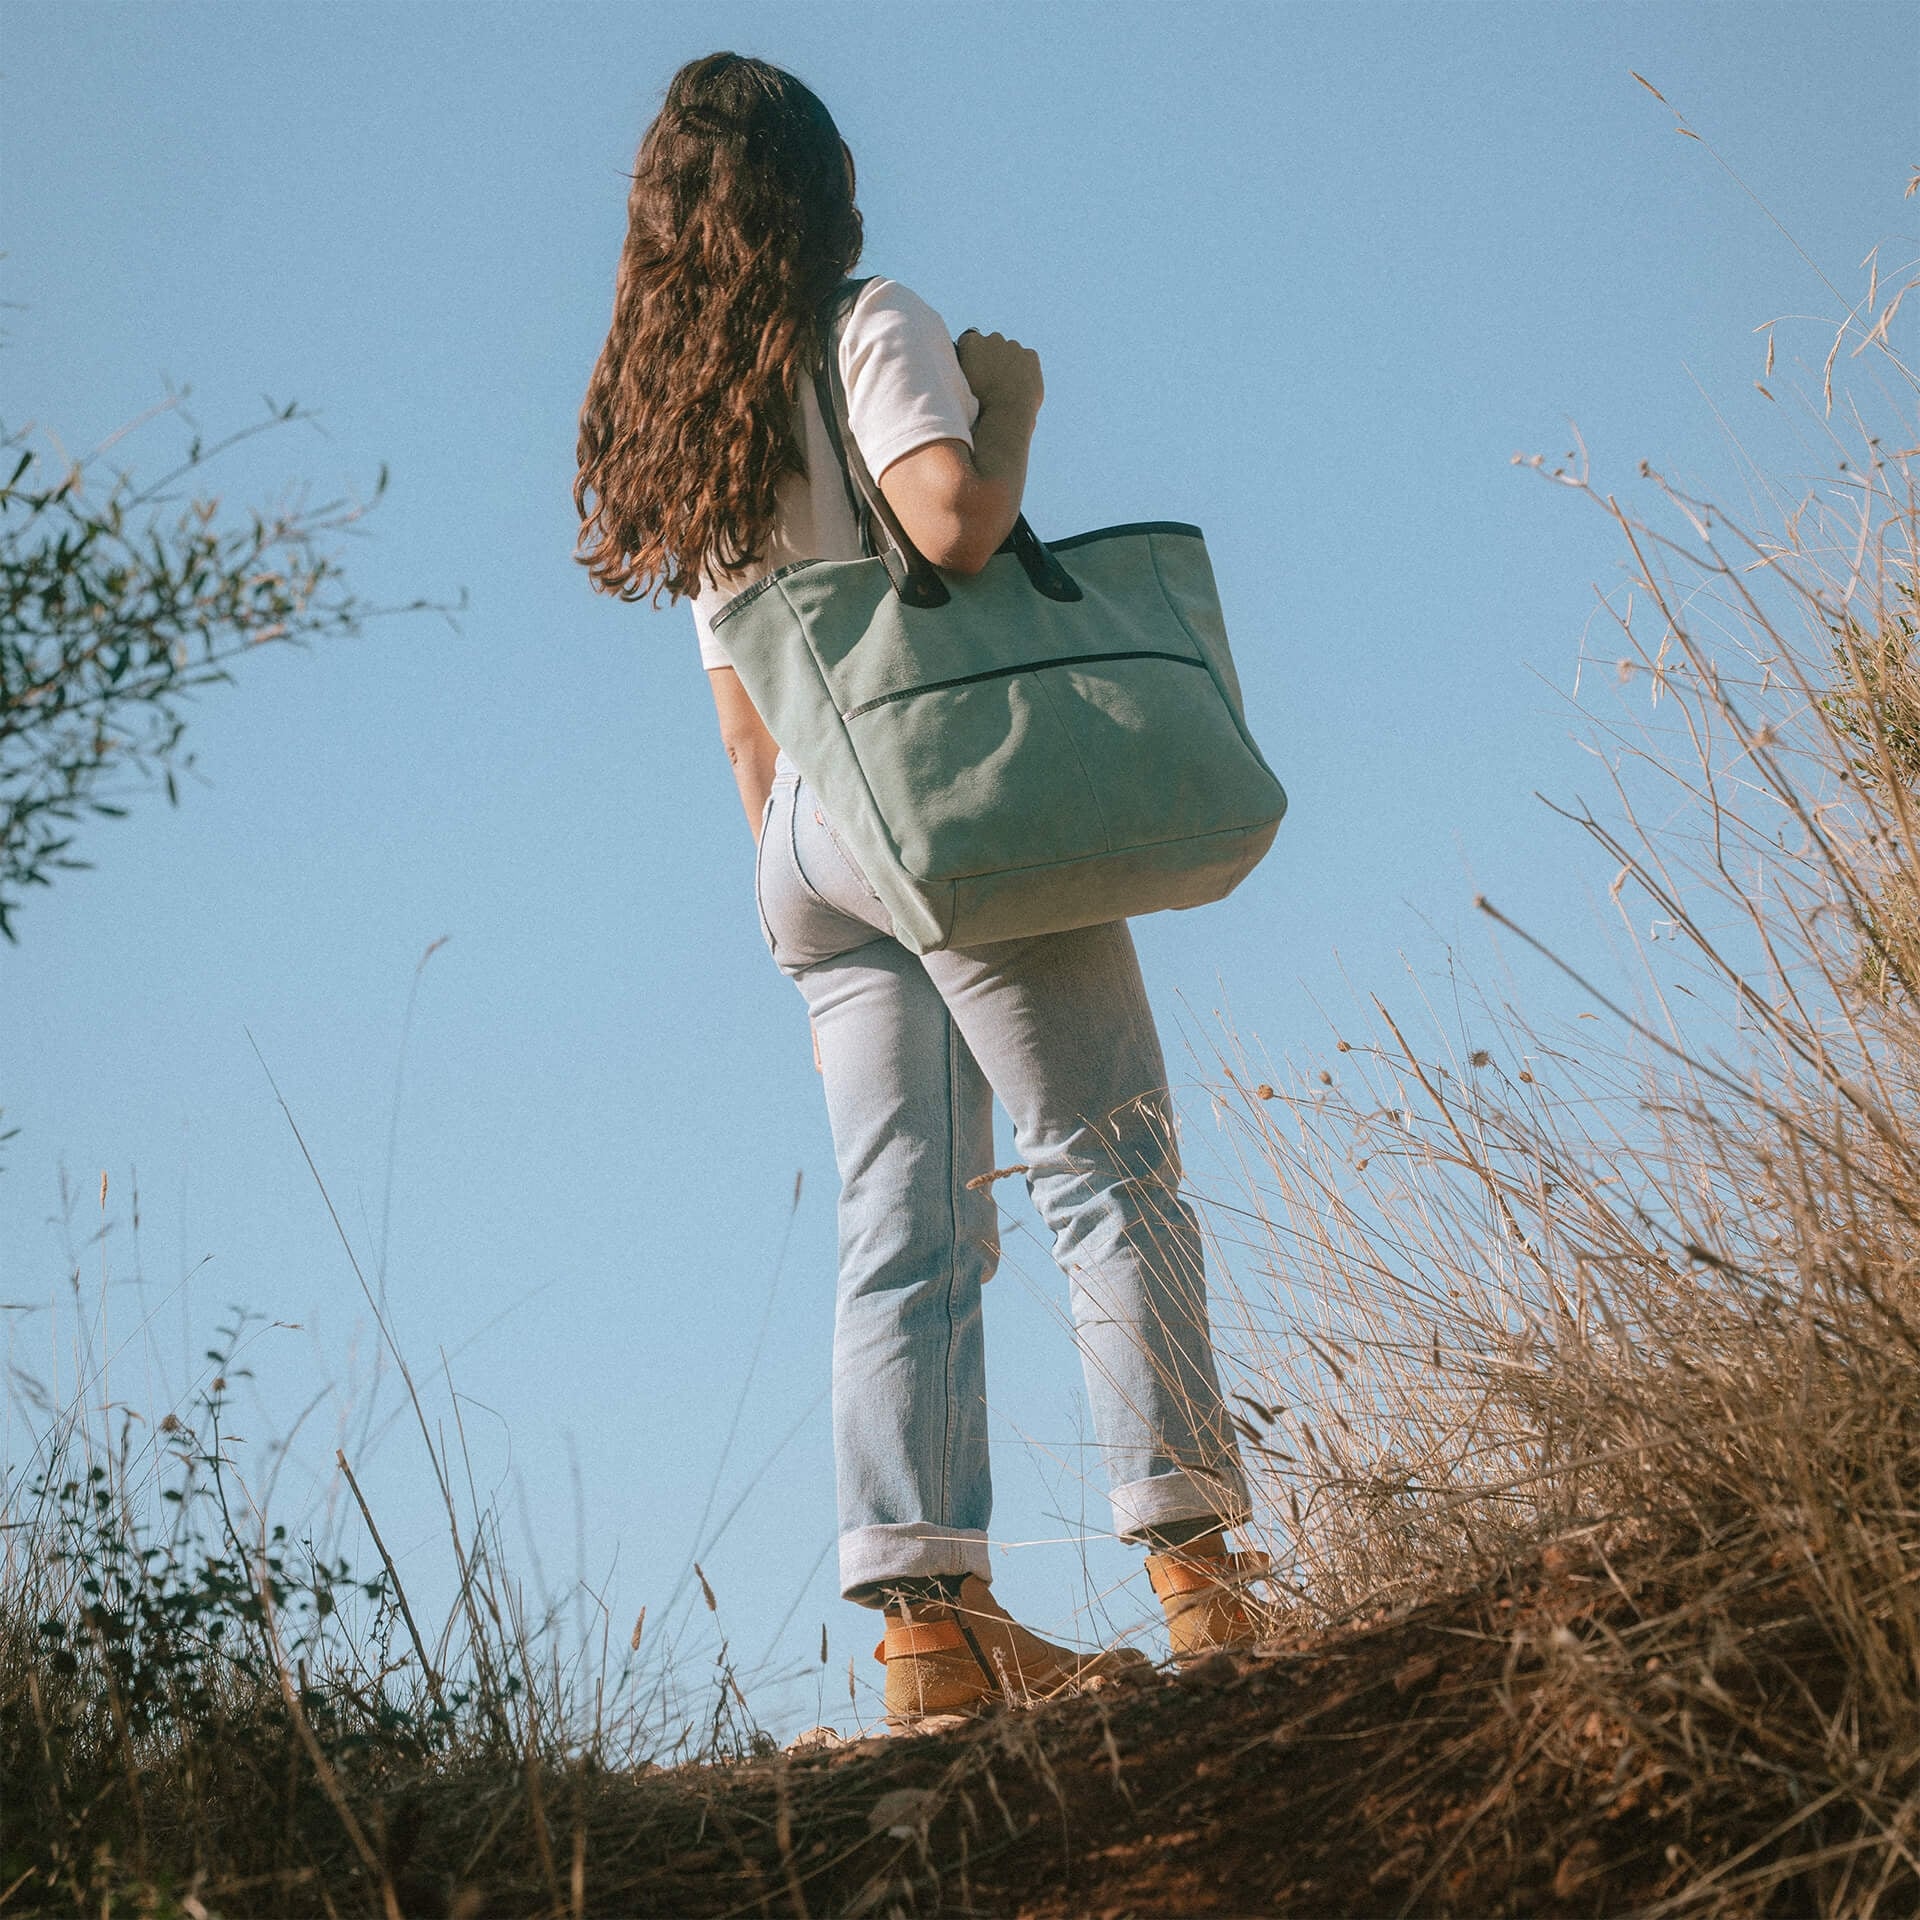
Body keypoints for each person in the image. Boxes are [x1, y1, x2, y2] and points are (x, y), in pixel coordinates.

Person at [575, 52, 1267, 1725]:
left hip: (808, 834)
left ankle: (929, 1633)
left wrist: (795, 887)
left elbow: (743, 712)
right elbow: (950, 524)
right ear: (823, 185)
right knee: (1106, 1164)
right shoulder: (867, 322)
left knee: (907, 1226)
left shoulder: (699, 406)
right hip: (941, 809)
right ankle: (1202, 1579)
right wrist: (1006, 400)